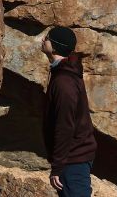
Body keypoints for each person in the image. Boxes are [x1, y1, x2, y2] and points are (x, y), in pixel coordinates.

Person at [41, 26, 98, 197]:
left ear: (55, 46)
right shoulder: (62, 72)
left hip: (74, 159)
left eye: (48, 38)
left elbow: (64, 126)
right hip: (73, 157)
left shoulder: (64, 82)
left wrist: (57, 167)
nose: (43, 39)